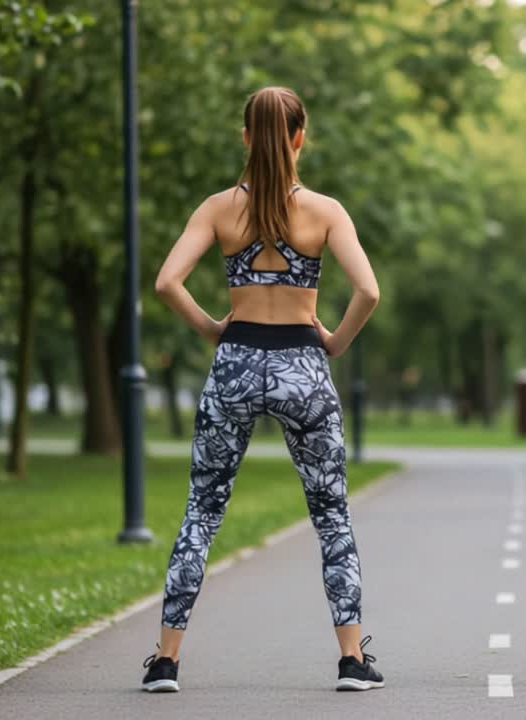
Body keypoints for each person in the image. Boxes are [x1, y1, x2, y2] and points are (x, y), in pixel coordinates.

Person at [145, 86, 384, 693]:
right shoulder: (325, 212)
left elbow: (168, 281)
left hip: (236, 364)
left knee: (202, 510)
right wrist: (332, 342)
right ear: (300, 137)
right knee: (330, 515)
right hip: (303, 365)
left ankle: (166, 661)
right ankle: (352, 659)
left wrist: (213, 329)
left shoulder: (220, 209)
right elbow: (369, 292)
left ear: (246, 136)